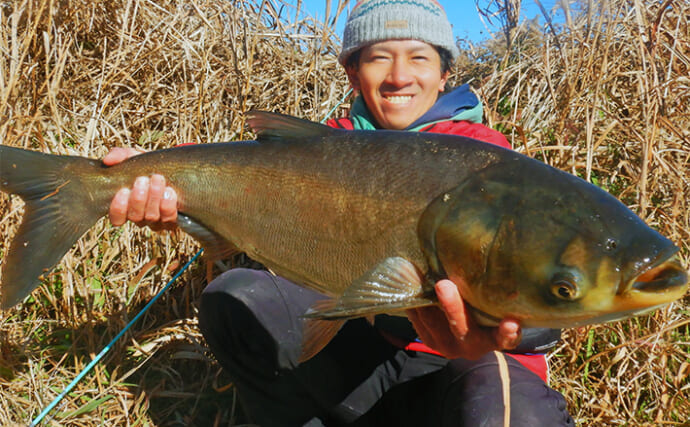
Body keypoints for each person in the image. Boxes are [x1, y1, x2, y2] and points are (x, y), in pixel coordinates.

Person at [105, 1, 574, 425]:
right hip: (358, 351)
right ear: (352, 73)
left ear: (443, 73)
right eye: (377, 57)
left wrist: (500, 332)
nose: (399, 76)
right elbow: (243, 165)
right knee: (236, 298)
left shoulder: (484, 157)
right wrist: (148, 173)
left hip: (461, 368)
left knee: (516, 415)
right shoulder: (325, 145)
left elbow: (545, 288)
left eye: (419, 57)